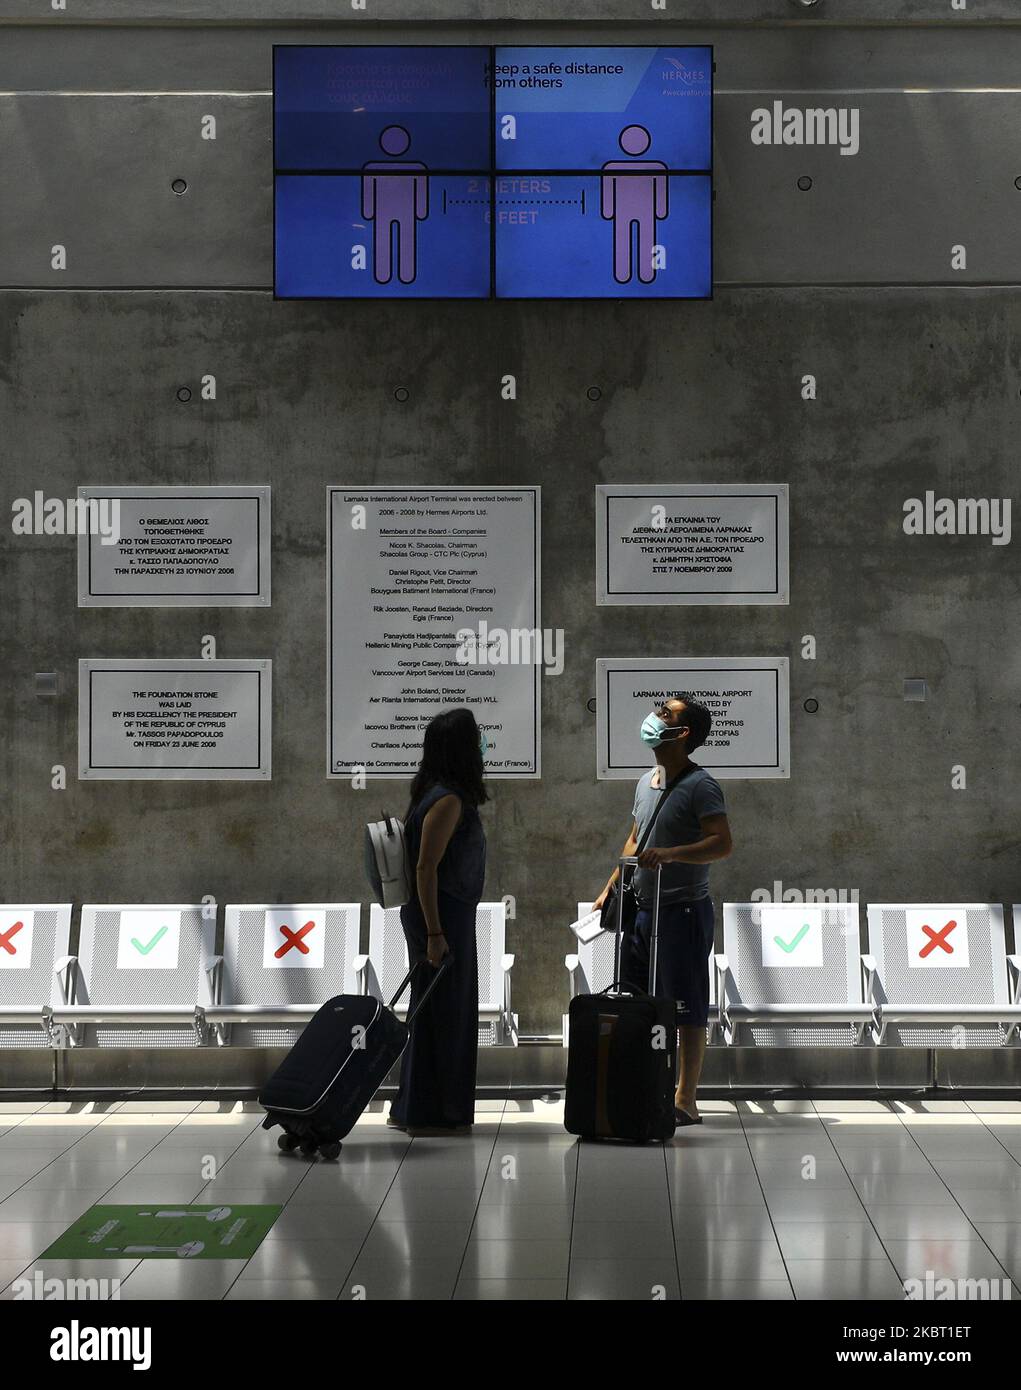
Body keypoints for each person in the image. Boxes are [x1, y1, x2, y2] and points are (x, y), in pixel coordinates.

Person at [593, 694, 732, 1127]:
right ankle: (641, 1083)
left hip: (682, 913)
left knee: (686, 1005)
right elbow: (635, 838)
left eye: (664, 714)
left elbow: (721, 843)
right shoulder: (646, 780)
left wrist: (672, 854)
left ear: (682, 732)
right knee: (636, 998)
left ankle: (685, 1097)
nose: (654, 718)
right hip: (641, 910)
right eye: (657, 710)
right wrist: (610, 886)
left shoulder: (701, 785)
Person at [388, 708, 487, 1137]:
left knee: (434, 1009)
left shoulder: (434, 793)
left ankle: (422, 1105)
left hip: (443, 913)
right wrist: (435, 933)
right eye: (477, 739)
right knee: (444, 1012)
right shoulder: (447, 800)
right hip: (442, 916)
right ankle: (435, 1109)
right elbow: (426, 869)